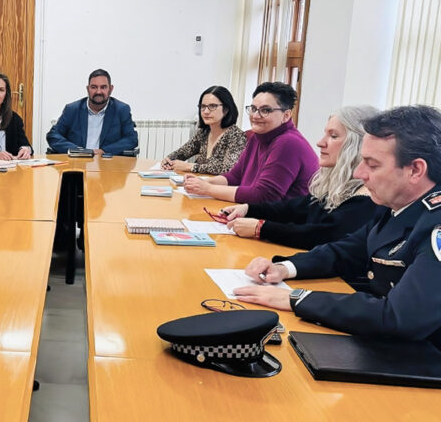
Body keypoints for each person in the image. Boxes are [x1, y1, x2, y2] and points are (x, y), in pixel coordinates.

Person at [234, 105, 441, 347]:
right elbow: (345, 251)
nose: (359, 173)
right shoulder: (398, 204)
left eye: (372, 165)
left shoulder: (434, 224)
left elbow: (399, 317)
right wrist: (283, 268)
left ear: (415, 170)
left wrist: (298, 298)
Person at [220, 106, 378, 249]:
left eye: (334, 136)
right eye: (253, 109)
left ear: (358, 145)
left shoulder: (367, 195)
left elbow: (323, 235)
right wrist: (249, 209)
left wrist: (261, 228)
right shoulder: (339, 185)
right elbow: (296, 208)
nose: (320, 142)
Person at [183, 82, 318, 203]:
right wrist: (202, 182)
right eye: (253, 109)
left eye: (265, 110)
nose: (255, 116)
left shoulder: (288, 142)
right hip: (253, 214)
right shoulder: (257, 136)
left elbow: (264, 196)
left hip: (282, 224)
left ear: (286, 115)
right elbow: (235, 176)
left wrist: (208, 189)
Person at [46, 68, 138, 155]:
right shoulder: (72, 109)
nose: (98, 91)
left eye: (103, 87)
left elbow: (131, 139)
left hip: (108, 164)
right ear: (87, 89)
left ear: (110, 89)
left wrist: (104, 151)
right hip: (78, 163)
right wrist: (79, 151)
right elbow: (53, 135)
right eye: (94, 87)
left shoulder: (121, 110)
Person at [161, 86, 246, 174]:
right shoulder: (204, 132)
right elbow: (182, 152)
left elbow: (228, 169)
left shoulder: (237, 136)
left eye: (212, 106)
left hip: (218, 186)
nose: (205, 111)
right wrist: (169, 159)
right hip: (197, 183)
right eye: (203, 106)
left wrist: (190, 166)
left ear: (226, 109)